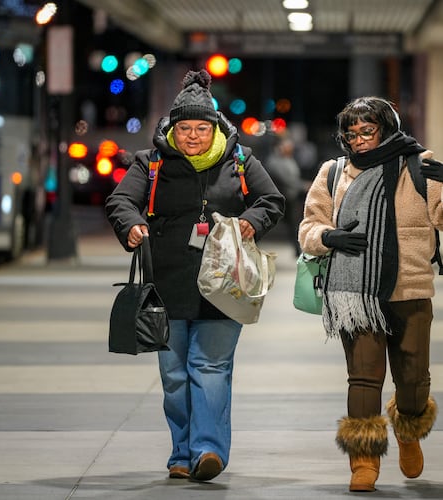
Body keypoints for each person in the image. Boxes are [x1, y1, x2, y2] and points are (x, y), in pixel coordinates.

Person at [105, 69, 284, 481]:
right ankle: (181, 454)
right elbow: (121, 201)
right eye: (184, 128)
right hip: (166, 282)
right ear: (172, 128)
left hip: (225, 283)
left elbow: (271, 199)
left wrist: (251, 222)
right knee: (174, 374)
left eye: (200, 128)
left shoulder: (240, 159)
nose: (191, 136)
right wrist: (131, 226)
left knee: (210, 366)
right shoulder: (150, 163)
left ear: (215, 127)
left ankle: (208, 451)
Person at [298, 96, 441, 492]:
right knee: (363, 379)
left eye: (367, 131)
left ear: (386, 128)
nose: (358, 140)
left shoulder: (418, 164)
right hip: (353, 293)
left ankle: (408, 428)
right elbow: (309, 227)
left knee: (414, 382)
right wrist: (328, 236)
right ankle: (364, 460)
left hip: (410, 290)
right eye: (351, 133)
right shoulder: (333, 172)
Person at [264, 136, 304, 256]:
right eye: (288, 145)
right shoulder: (274, 161)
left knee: (294, 225)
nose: (290, 147)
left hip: (291, 196)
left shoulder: (289, 159)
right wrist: (302, 185)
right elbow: (287, 180)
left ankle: (298, 250)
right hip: (281, 198)